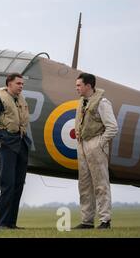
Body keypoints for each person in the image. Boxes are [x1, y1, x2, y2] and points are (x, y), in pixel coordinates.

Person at [0, 73, 31, 229]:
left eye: (22, 84)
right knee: (8, 185)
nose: (21, 86)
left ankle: (11, 223)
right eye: (18, 83)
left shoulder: (20, 100)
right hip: (7, 144)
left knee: (18, 185)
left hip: (21, 144)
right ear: (9, 84)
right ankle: (3, 223)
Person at [74, 73, 118, 229]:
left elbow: (112, 127)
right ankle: (87, 221)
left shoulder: (103, 103)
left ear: (88, 86)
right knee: (84, 184)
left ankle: (105, 220)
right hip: (82, 145)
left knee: (100, 183)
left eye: (79, 85)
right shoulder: (82, 102)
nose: (77, 87)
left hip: (95, 144)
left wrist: (99, 143)